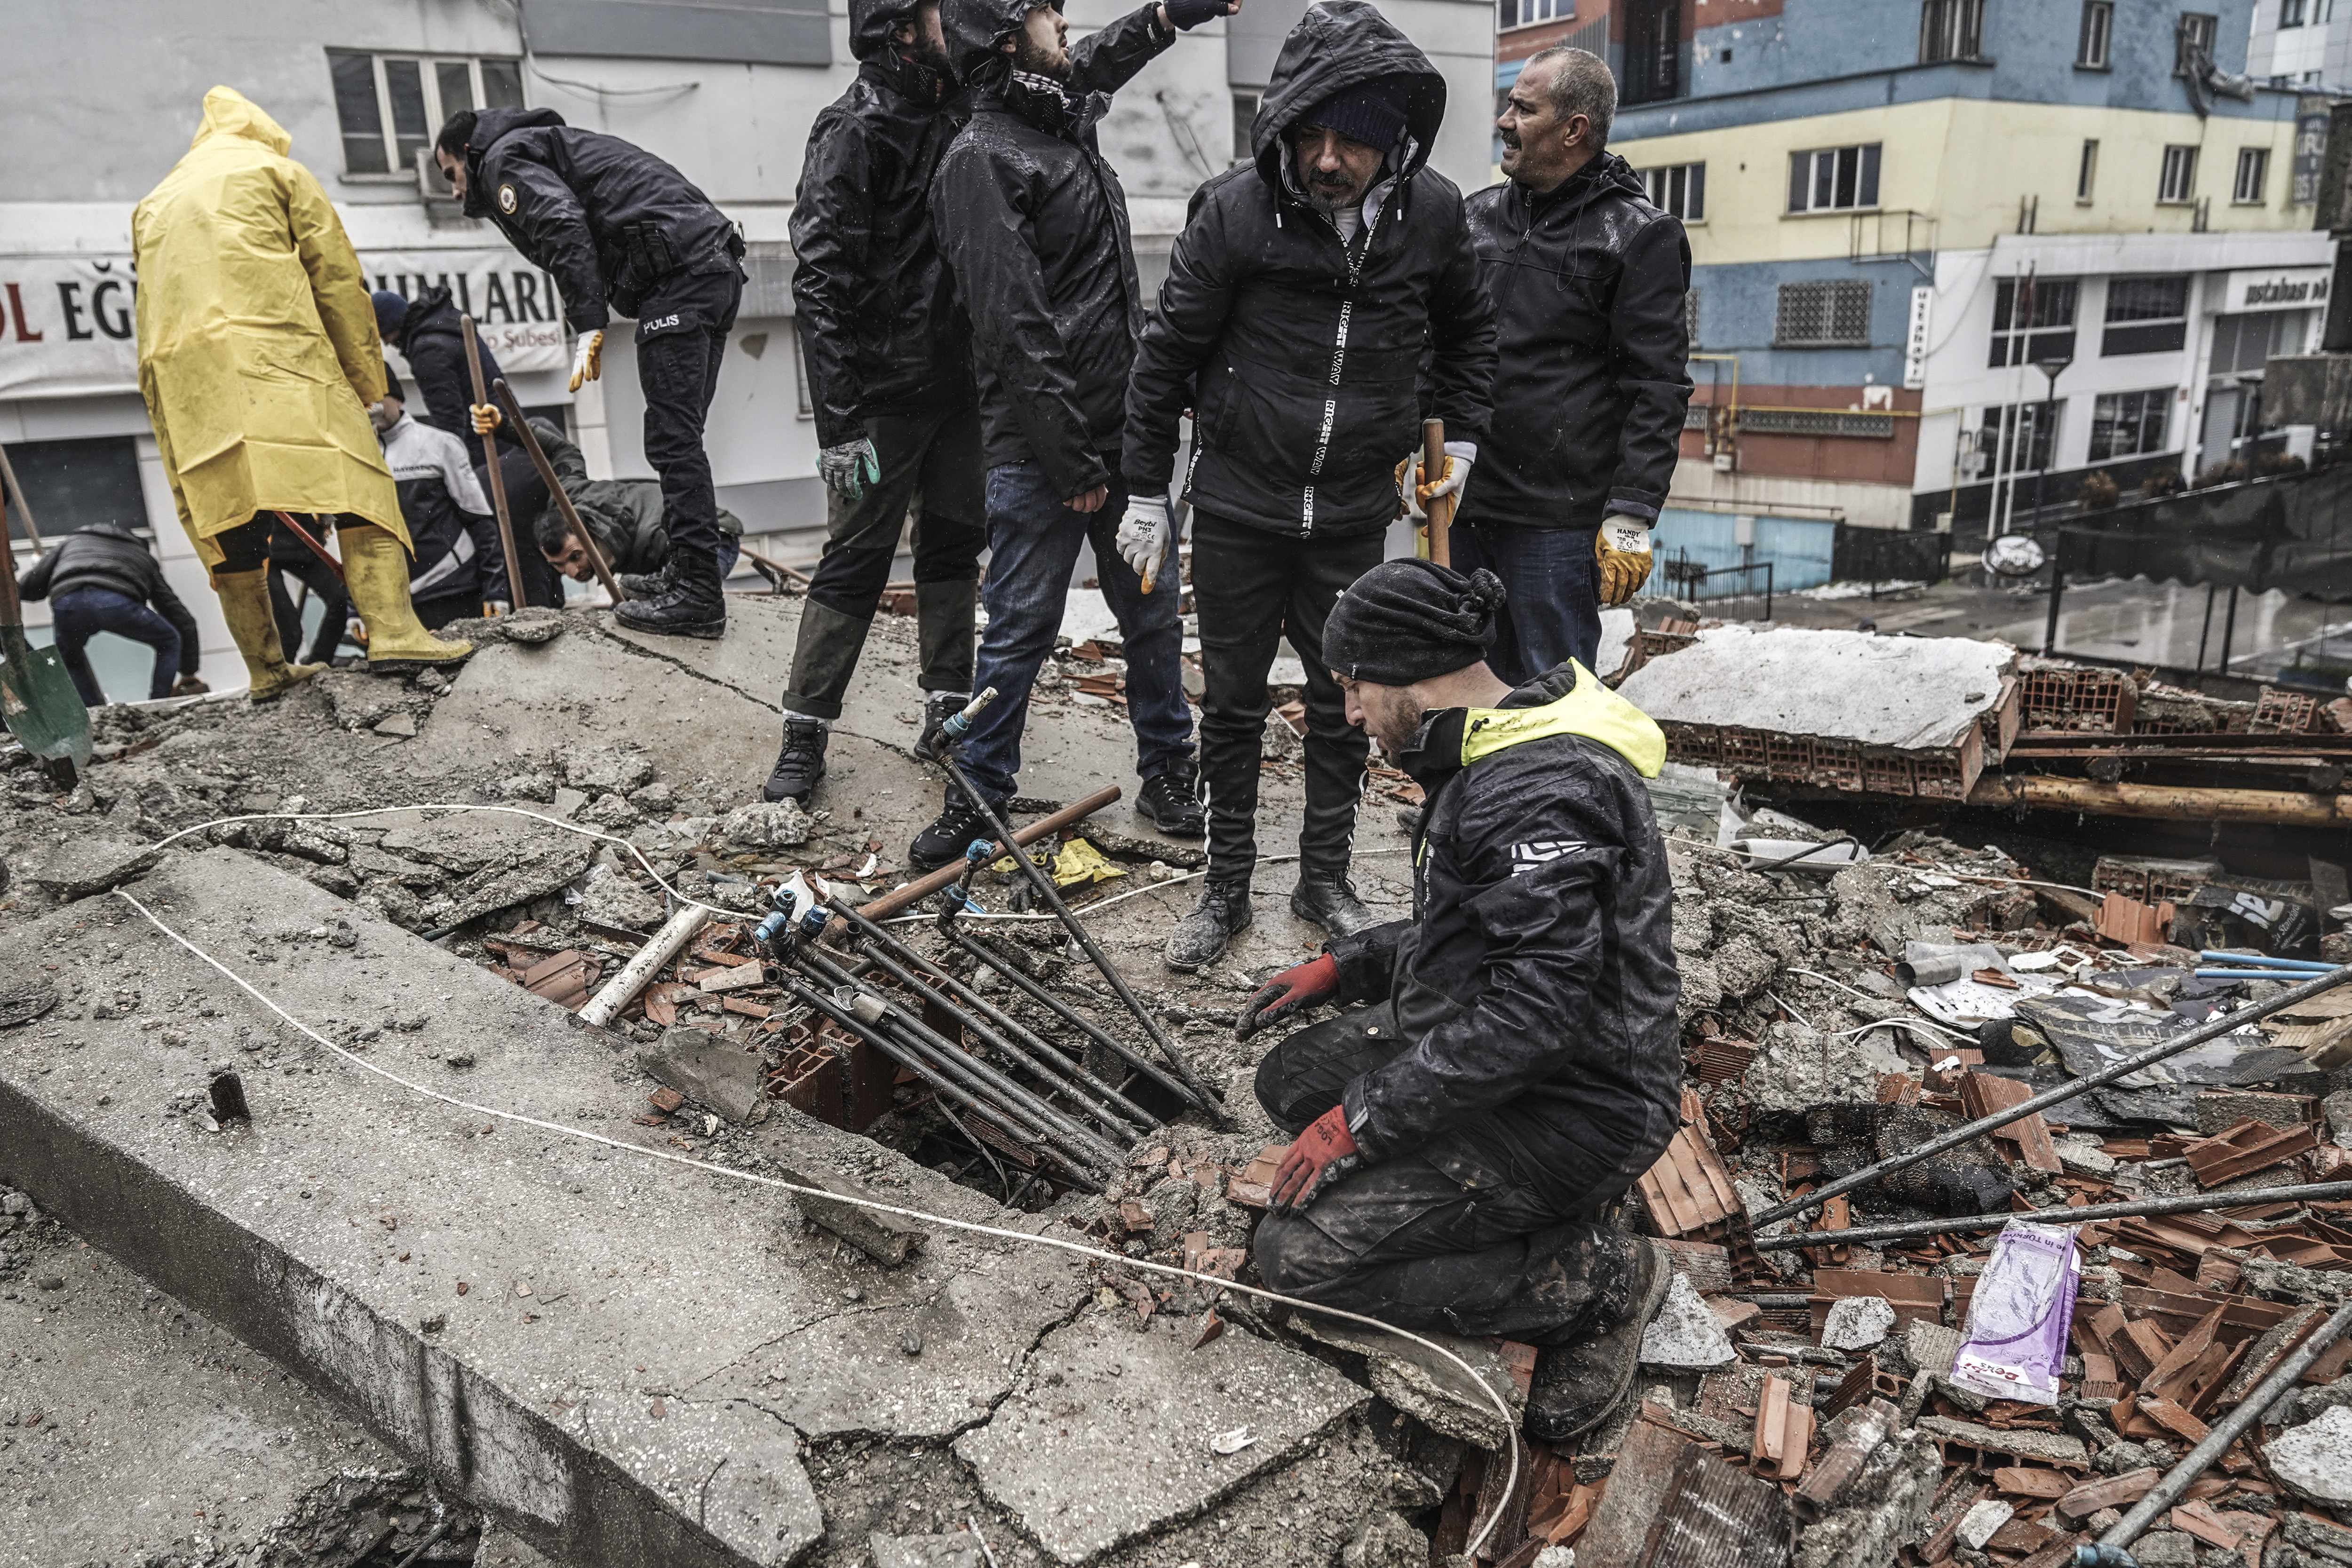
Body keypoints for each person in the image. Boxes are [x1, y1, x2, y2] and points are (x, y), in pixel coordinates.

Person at [1239, 558, 1681, 1442]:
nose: (1354, 714)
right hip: (1509, 1063)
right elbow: (1475, 934)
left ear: (1409, 667)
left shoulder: (1537, 789)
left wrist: (1364, 1119)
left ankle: (1597, 1279)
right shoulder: (1491, 751)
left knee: (1291, 1262)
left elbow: (1533, 1013)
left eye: (1356, 687)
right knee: (1290, 1079)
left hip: (1577, 1108)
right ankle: (1491, 1196)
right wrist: (1350, 964)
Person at [1120, 0, 1497, 971]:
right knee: (1235, 704)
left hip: (1347, 511)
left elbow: (1468, 337)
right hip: (1243, 503)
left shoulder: (1437, 216)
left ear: (1396, 145)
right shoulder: (1235, 210)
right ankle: (1224, 888)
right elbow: (1164, 357)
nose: (1327, 159)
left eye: (1354, 142)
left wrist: (1459, 444)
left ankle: (1322, 876)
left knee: (1347, 703)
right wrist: (1142, 489)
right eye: (1311, 135)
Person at [906, 0, 1234, 869]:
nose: (1067, 27)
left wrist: (1174, 15)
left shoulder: (1053, 119)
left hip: (1123, 437)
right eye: (1051, 15)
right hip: (1043, 450)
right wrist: (1074, 460)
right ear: (1009, 39)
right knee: (1016, 625)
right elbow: (1012, 324)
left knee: (1153, 619)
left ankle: (1168, 772)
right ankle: (978, 790)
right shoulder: (981, 158)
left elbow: (1102, 60)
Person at [133, 86, 472, 700]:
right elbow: (338, 279)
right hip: (277, 353)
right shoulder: (276, 171)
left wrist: (163, 411)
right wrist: (366, 378)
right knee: (357, 483)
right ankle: (393, 631)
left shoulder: (153, 205)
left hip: (189, 384)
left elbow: (148, 318)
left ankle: (266, 669)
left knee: (229, 511)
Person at [765, 0, 988, 805]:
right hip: (882, 397)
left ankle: (946, 711)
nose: (952, 21)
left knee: (954, 550)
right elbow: (819, 278)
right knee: (855, 561)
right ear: (900, 28)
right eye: (936, 10)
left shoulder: (963, 104)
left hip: (960, 389)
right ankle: (804, 730)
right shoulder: (852, 129)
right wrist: (840, 422)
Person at [433, 106, 747, 640]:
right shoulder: (543, 146)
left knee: (672, 440)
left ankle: (697, 590)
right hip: (709, 267)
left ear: (467, 152)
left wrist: (587, 325)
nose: (454, 190)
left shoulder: (504, 159)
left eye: (450, 174)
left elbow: (560, 225)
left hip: (680, 274)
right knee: (678, 436)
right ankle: (689, 571)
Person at [1451, 45, 1691, 684]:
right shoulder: (1472, 220)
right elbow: (1436, 346)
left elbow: (1657, 384)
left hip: (1555, 521)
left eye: (1523, 109)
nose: (1504, 121)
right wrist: (1413, 440)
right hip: (1462, 499)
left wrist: (1633, 509)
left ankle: (1557, 788)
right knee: (1464, 687)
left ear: (1573, 129)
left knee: (1549, 695)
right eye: (1508, 105)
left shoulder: (1638, 236)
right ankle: (1472, 792)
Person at [373, 286, 562, 611]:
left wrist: (457, 478)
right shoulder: (446, 326)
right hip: (516, 448)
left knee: (509, 544)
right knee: (532, 545)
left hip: (494, 459)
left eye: (382, 335)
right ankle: (549, 613)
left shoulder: (428, 349)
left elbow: (450, 427)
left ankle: (533, 622)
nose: (387, 344)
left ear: (389, 327)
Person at [525, 418, 744, 587]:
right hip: (656, 550)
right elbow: (561, 450)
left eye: (575, 557)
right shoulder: (566, 497)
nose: (572, 572)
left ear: (590, 531)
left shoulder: (654, 537)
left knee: (677, 605)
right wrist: (504, 424)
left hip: (711, 536)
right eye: (558, 566)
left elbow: (682, 587)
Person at [370, 369, 512, 630]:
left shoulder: (441, 444)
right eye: (363, 401)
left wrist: (497, 590)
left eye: (377, 398)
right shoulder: (361, 455)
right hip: (393, 598)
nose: (372, 407)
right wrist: (354, 607)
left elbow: (480, 520)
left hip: (450, 587)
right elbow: (358, 538)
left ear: (399, 398)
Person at [16, 524, 204, 705]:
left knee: (70, 658)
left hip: (68, 604)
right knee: (169, 640)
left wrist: (40, 569)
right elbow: (178, 616)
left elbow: (30, 589)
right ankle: (159, 704)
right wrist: (188, 671)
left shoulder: (73, 541)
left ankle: (94, 713)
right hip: (116, 603)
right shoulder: (141, 555)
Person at [266, 515, 352, 667]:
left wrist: (325, 521)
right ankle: (282, 676)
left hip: (303, 539)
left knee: (341, 598)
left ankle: (319, 663)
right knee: (289, 631)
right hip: (266, 546)